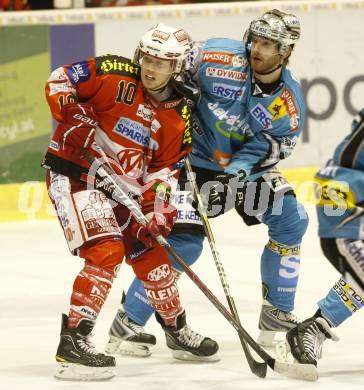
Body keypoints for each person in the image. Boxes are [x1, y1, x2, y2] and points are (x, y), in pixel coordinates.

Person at [106, 9, 308, 359]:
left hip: (241, 174)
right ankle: (128, 321)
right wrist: (176, 89)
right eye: (255, 40)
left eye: (268, 44)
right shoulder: (217, 56)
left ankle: (276, 313)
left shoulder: (287, 103)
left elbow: (271, 147)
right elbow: (167, 63)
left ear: (287, 51)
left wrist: (238, 172)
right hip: (190, 163)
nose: (257, 49)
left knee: (292, 219)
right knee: (184, 243)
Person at [41, 22, 219, 381]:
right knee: (107, 250)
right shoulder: (112, 73)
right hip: (76, 173)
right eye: (147, 59)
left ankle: (175, 329)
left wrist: (157, 206)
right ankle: (74, 340)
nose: (150, 69)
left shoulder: (178, 113)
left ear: (177, 67)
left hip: (126, 188)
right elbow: (59, 79)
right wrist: (71, 114)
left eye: (162, 63)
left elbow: (165, 170)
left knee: (154, 256)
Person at [286, 108, 364, 367]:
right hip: (346, 214)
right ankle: (315, 327)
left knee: (359, 280)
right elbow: (346, 163)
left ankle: (316, 326)